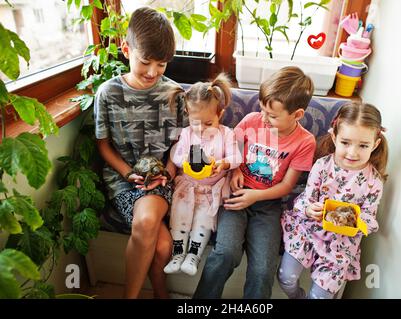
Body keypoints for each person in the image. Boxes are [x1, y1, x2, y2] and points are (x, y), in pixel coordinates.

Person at [194, 66, 317, 299]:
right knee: (226, 254)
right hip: (235, 195)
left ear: (297, 115)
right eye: (262, 110)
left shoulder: (305, 142)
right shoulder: (252, 121)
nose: (263, 118)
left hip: (267, 204)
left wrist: (255, 196)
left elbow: (287, 186)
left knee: (262, 269)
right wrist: (236, 169)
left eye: (272, 115)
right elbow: (232, 151)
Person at [93, 7, 188, 299]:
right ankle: (160, 293)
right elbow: (103, 144)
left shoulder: (175, 94)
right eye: (145, 62)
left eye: (162, 64)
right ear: (126, 49)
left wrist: (168, 175)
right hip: (122, 180)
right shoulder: (108, 93)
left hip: (161, 179)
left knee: (146, 220)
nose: (152, 72)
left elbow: (182, 144)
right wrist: (128, 173)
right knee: (161, 246)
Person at [278, 102, 388, 299]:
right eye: (346, 143)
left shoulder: (374, 182)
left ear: (375, 144)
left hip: (341, 245)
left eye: (363, 145)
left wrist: (356, 221)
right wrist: (310, 209)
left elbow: (371, 221)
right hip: (308, 230)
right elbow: (306, 199)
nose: (353, 153)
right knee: (286, 278)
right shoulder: (322, 165)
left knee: (320, 296)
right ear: (335, 137)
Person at [163, 73, 242, 276]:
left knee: (203, 220)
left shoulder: (226, 134)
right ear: (188, 113)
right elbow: (177, 156)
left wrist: (224, 164)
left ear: (220, 114)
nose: (201, 129)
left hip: (211, 190)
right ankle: (177, 254)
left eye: (208, 123)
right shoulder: (187, 133)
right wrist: (187, 161)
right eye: (196, 123)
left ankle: (193, 256)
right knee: (179, 217)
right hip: (187, 186)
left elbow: (236, 157)